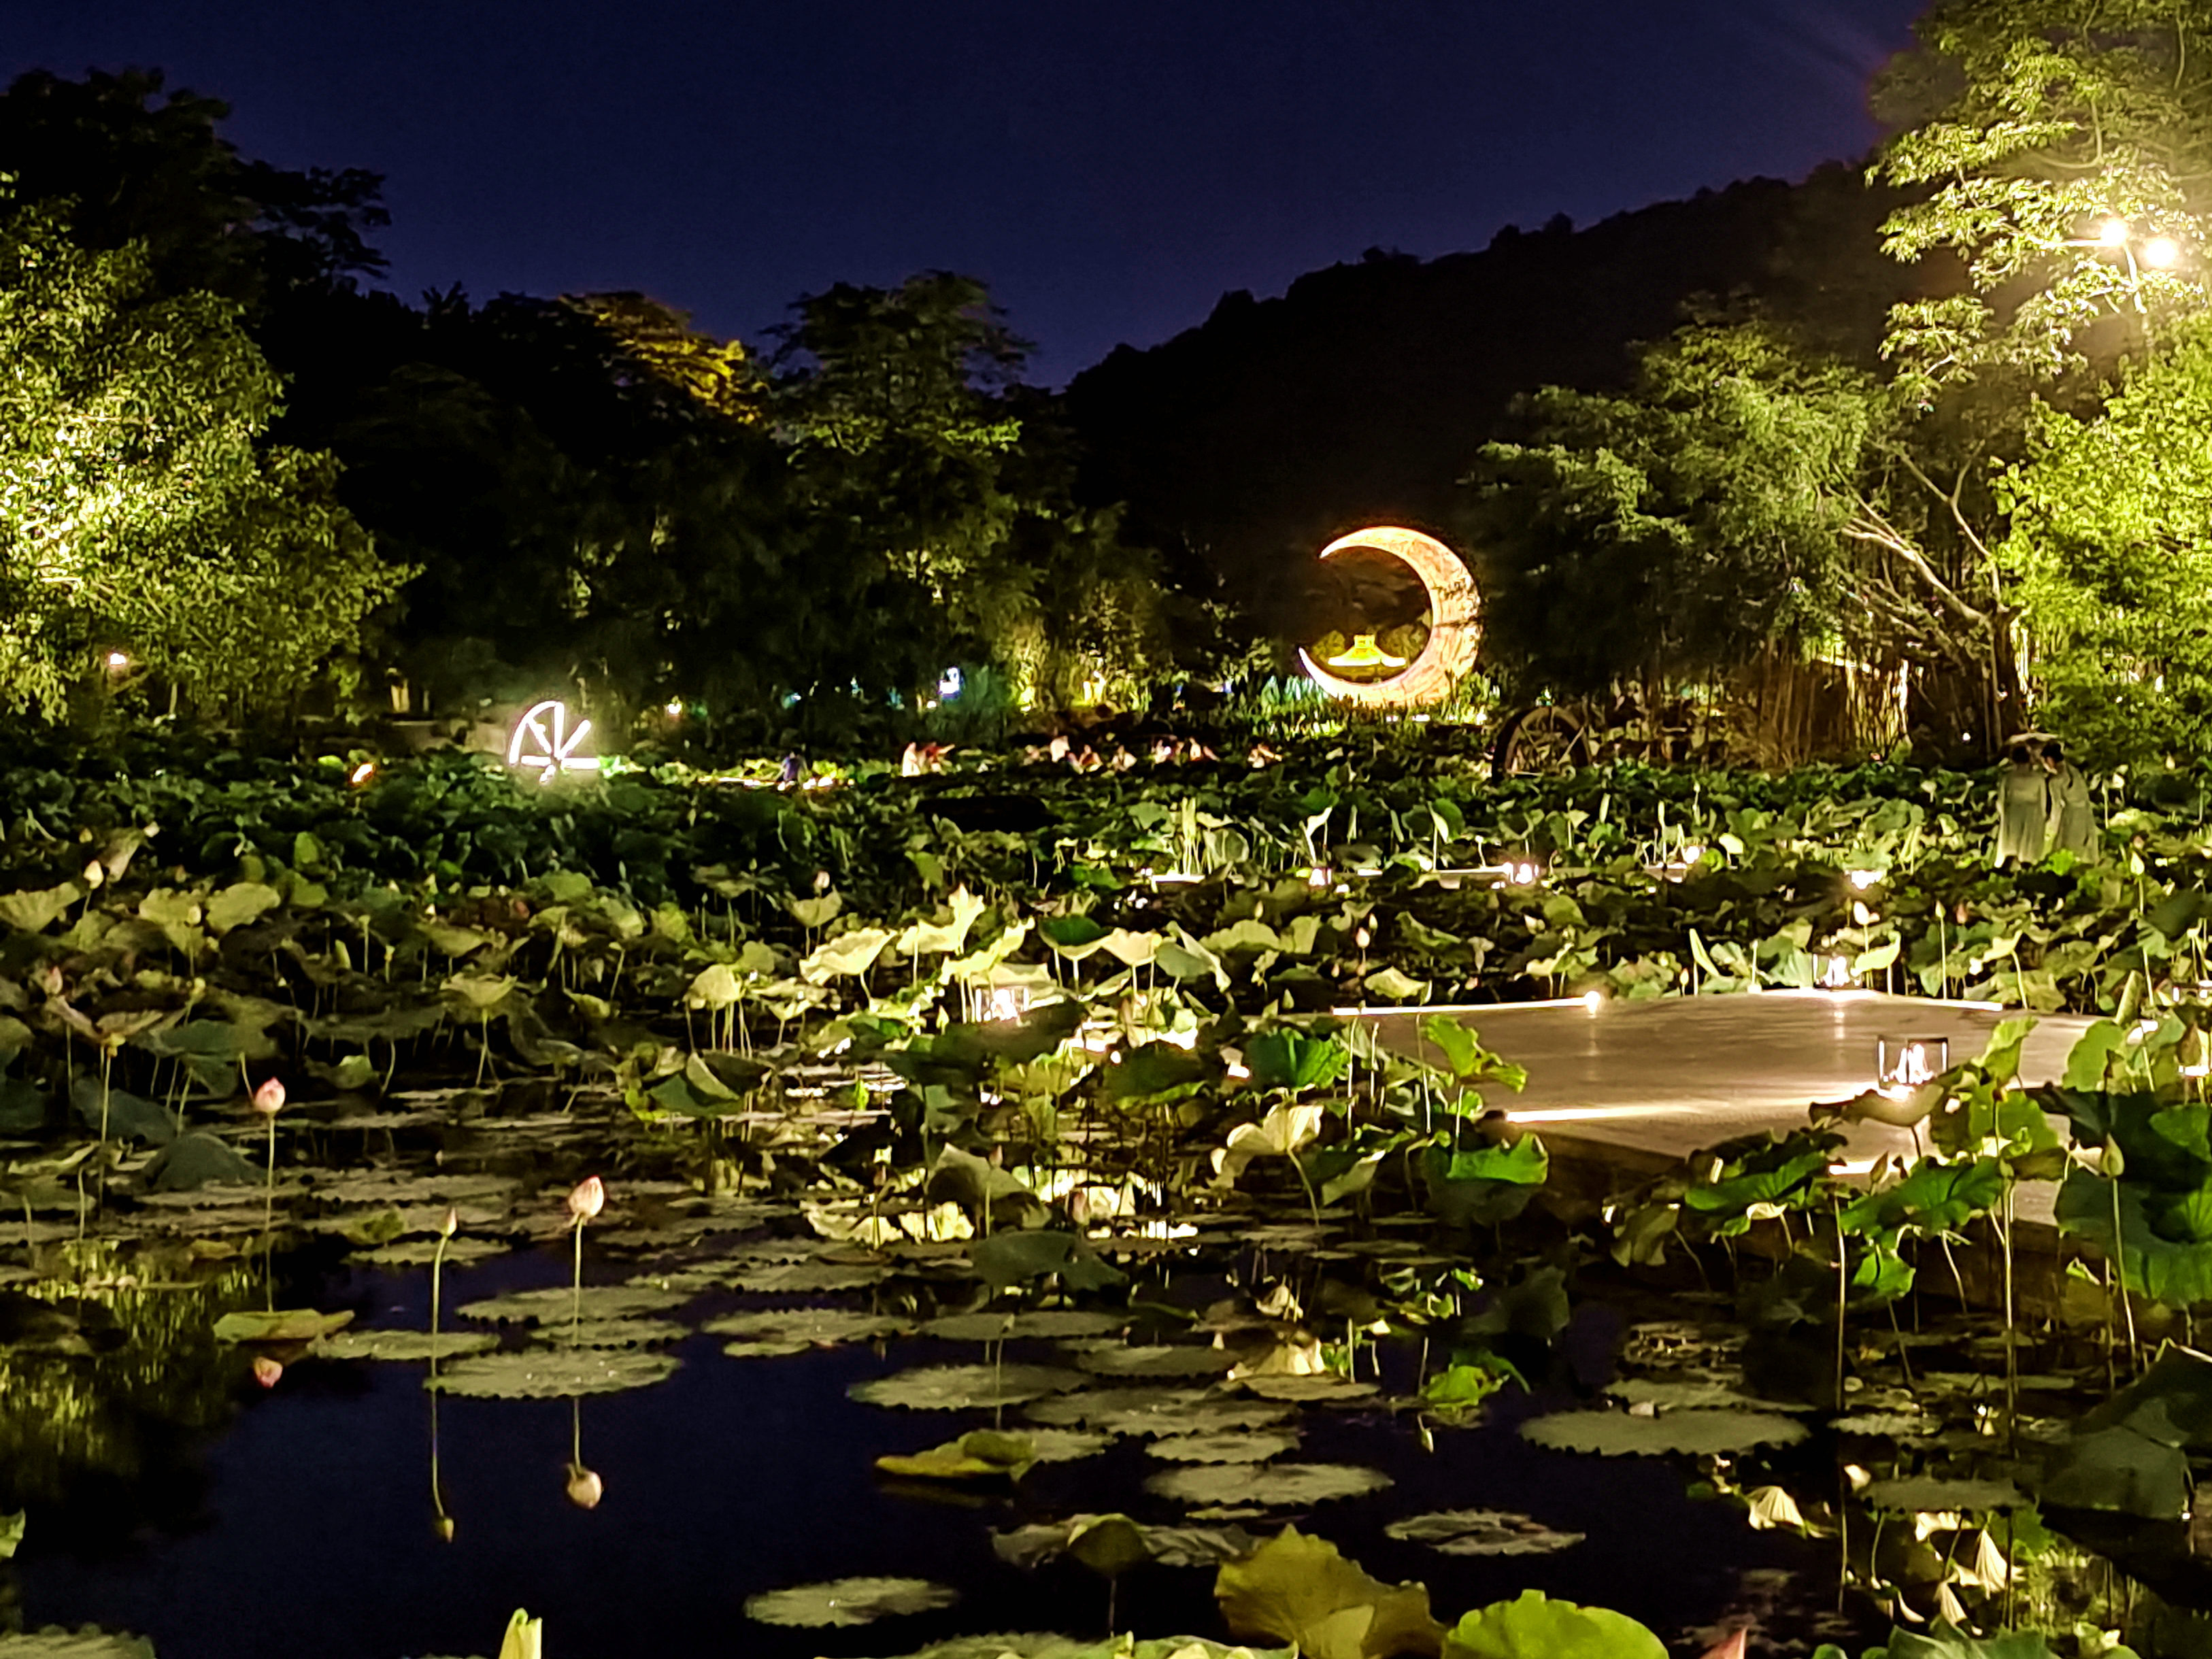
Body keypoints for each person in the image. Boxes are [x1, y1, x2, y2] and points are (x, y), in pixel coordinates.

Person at [1995, 741, 2049, 866]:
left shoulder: (2008, 778)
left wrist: (2004, 816)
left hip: (2013, 813)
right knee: (2029, 849)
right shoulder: (2038, 778)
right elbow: (2043, 803)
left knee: (2012, 845)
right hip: (2032, 815)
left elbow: (2000, 801)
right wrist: (2042, 818)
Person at [2043, 739, 2097, 862]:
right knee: (2085, 853)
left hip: (2071, 817)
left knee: (2067, 851)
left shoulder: (2055, 781)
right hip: (2086, 813)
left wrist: (2051, 828)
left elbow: (2057, 806)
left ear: (2050, 761)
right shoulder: (2074, 771)